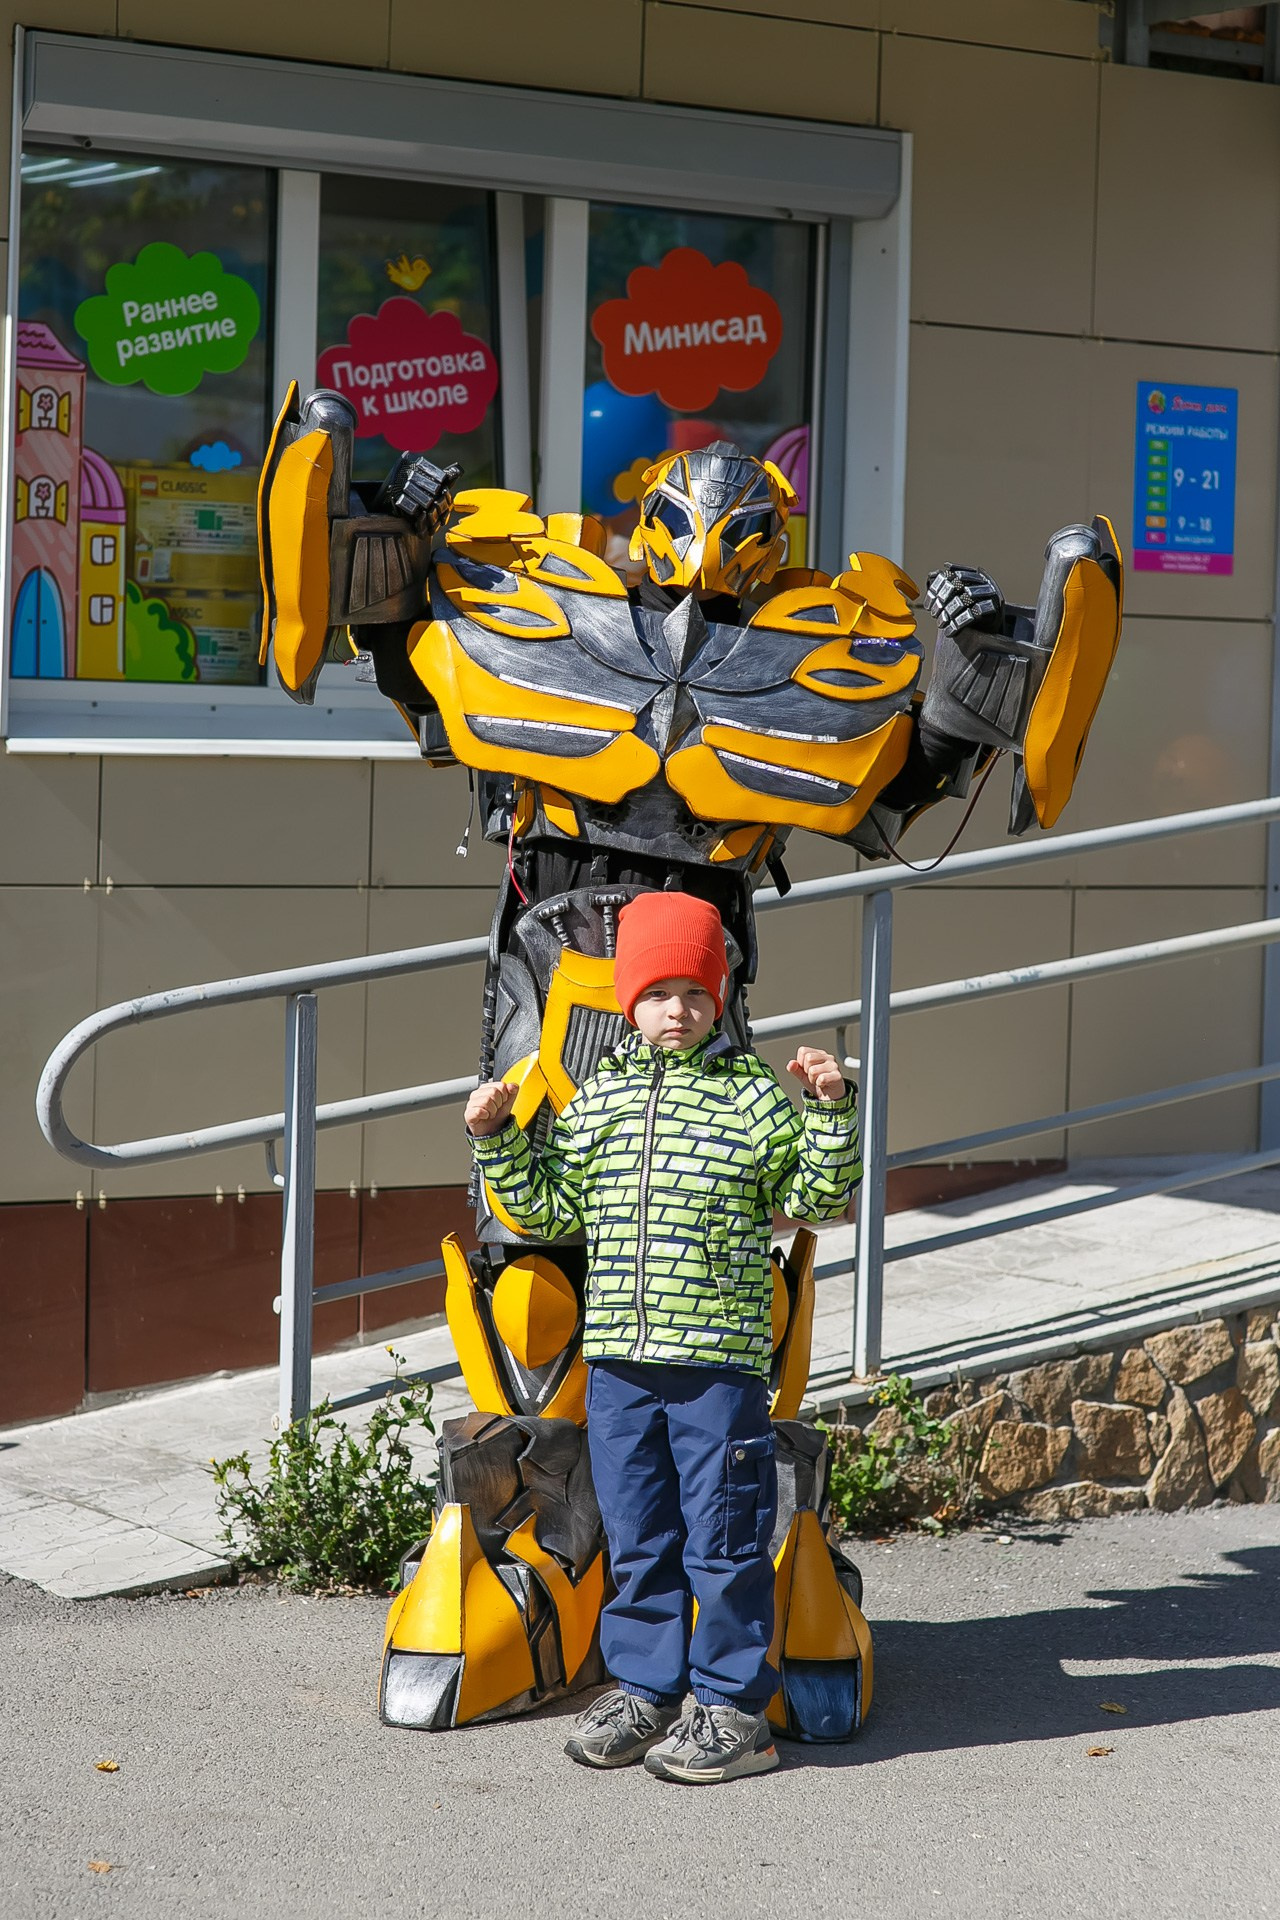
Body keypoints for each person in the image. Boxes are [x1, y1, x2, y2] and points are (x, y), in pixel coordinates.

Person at [464, 890, 861, 1784]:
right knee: (640, 1533)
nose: (674, 1011)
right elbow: (549, 1207)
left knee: (722, 1534)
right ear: (626, 1002)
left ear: (717, 999)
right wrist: (497, 1143)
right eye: (655, 993)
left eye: (692, 992)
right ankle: (646, 1691)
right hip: (620, 1367)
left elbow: (818, 1201)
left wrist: (831, 1111)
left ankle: (732, 1713)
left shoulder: (754, 1097)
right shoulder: (599, 1100)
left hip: (715, 1366)